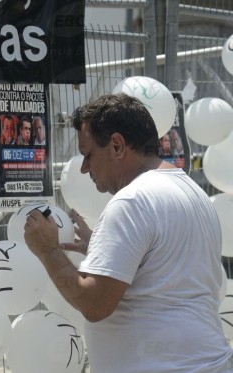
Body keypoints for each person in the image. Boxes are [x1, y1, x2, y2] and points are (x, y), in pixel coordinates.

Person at [23, 93, 233, 373]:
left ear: (117, 145)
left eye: (88, 155)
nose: (85, 168)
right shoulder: (190, 190)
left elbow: (95, 304)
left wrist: (47, 251)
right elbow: (167, 272)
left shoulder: (131, 201)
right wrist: (103, 250)